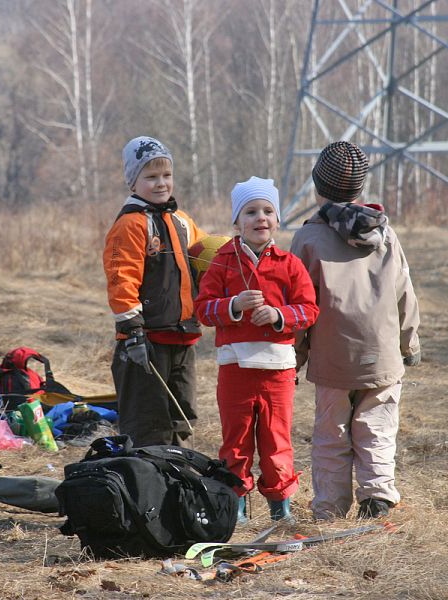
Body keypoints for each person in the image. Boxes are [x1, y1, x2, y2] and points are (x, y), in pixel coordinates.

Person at [291, 141, 421, 521]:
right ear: (361, 190)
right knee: (377, 428)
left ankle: (329, 508)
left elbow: (299, 305)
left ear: (317, 187)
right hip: (382, 354)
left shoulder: (308, 239)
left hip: (333, 358)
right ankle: (377, 498)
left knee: (332, 434)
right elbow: (404, 293)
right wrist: (409, 343)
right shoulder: (386, 235)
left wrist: (293, 356)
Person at [195, 176, 319, 523]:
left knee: (276, 441)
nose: (260, 218)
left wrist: (278, 316)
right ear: (237, 222)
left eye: (268, 211)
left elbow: (309, 309)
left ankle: (281, 509)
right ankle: (235, 505)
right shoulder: (221, 261)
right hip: (235, 371)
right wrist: (233, 305)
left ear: (277, 220)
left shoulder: (289, 263)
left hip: (278, 371)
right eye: (250, 212)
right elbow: (203, 309)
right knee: (235, 443)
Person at [103, 136, 206, 447]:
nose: (161, 184)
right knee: (148, 421)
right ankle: (149, 480)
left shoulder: (182, 221)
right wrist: (132, 330)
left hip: (182, 337)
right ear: (133, 182)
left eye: (166, 175)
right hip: (146, 342)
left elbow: (203, 260)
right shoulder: (131, 225)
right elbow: (122, 277)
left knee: (182, 417)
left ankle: (179, 474)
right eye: (150, 177)